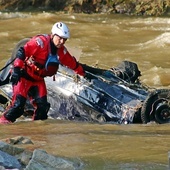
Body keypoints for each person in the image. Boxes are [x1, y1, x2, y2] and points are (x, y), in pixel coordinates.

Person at [0, 22, 85, 124]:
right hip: (24, 77)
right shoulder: (40, 42)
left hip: (38, 80)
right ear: (53, 35)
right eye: (60, 38)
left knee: (43, 109)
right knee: (17, 106)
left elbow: (73, 64)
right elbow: (22, 52)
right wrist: (16, 70)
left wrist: (83, 74)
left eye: (64, 39)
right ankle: (3, 125)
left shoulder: (62, 52)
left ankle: (37, 133)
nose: (62, 41)